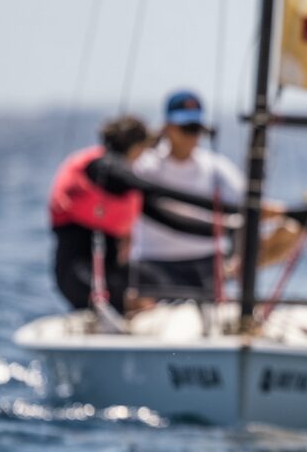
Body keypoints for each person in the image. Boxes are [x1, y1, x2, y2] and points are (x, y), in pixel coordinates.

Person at [48, 116, 231, 314]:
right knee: (131, 298)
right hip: (78, 275)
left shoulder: (125, 184)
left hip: (112, 271)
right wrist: (233, 209)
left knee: (165, 288)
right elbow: (158, 191)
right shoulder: (102, 167)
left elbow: (171, 221)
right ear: (136, 146)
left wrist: (229, 229)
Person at [130, 90, 252, 298]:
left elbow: (248, 207)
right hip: (154, 264)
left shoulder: (215, 167)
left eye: (196, 129)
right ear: (167, 128)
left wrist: (238, 256)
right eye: (186, 128)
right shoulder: (145, 167)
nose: (192, 136)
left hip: (207, 264)